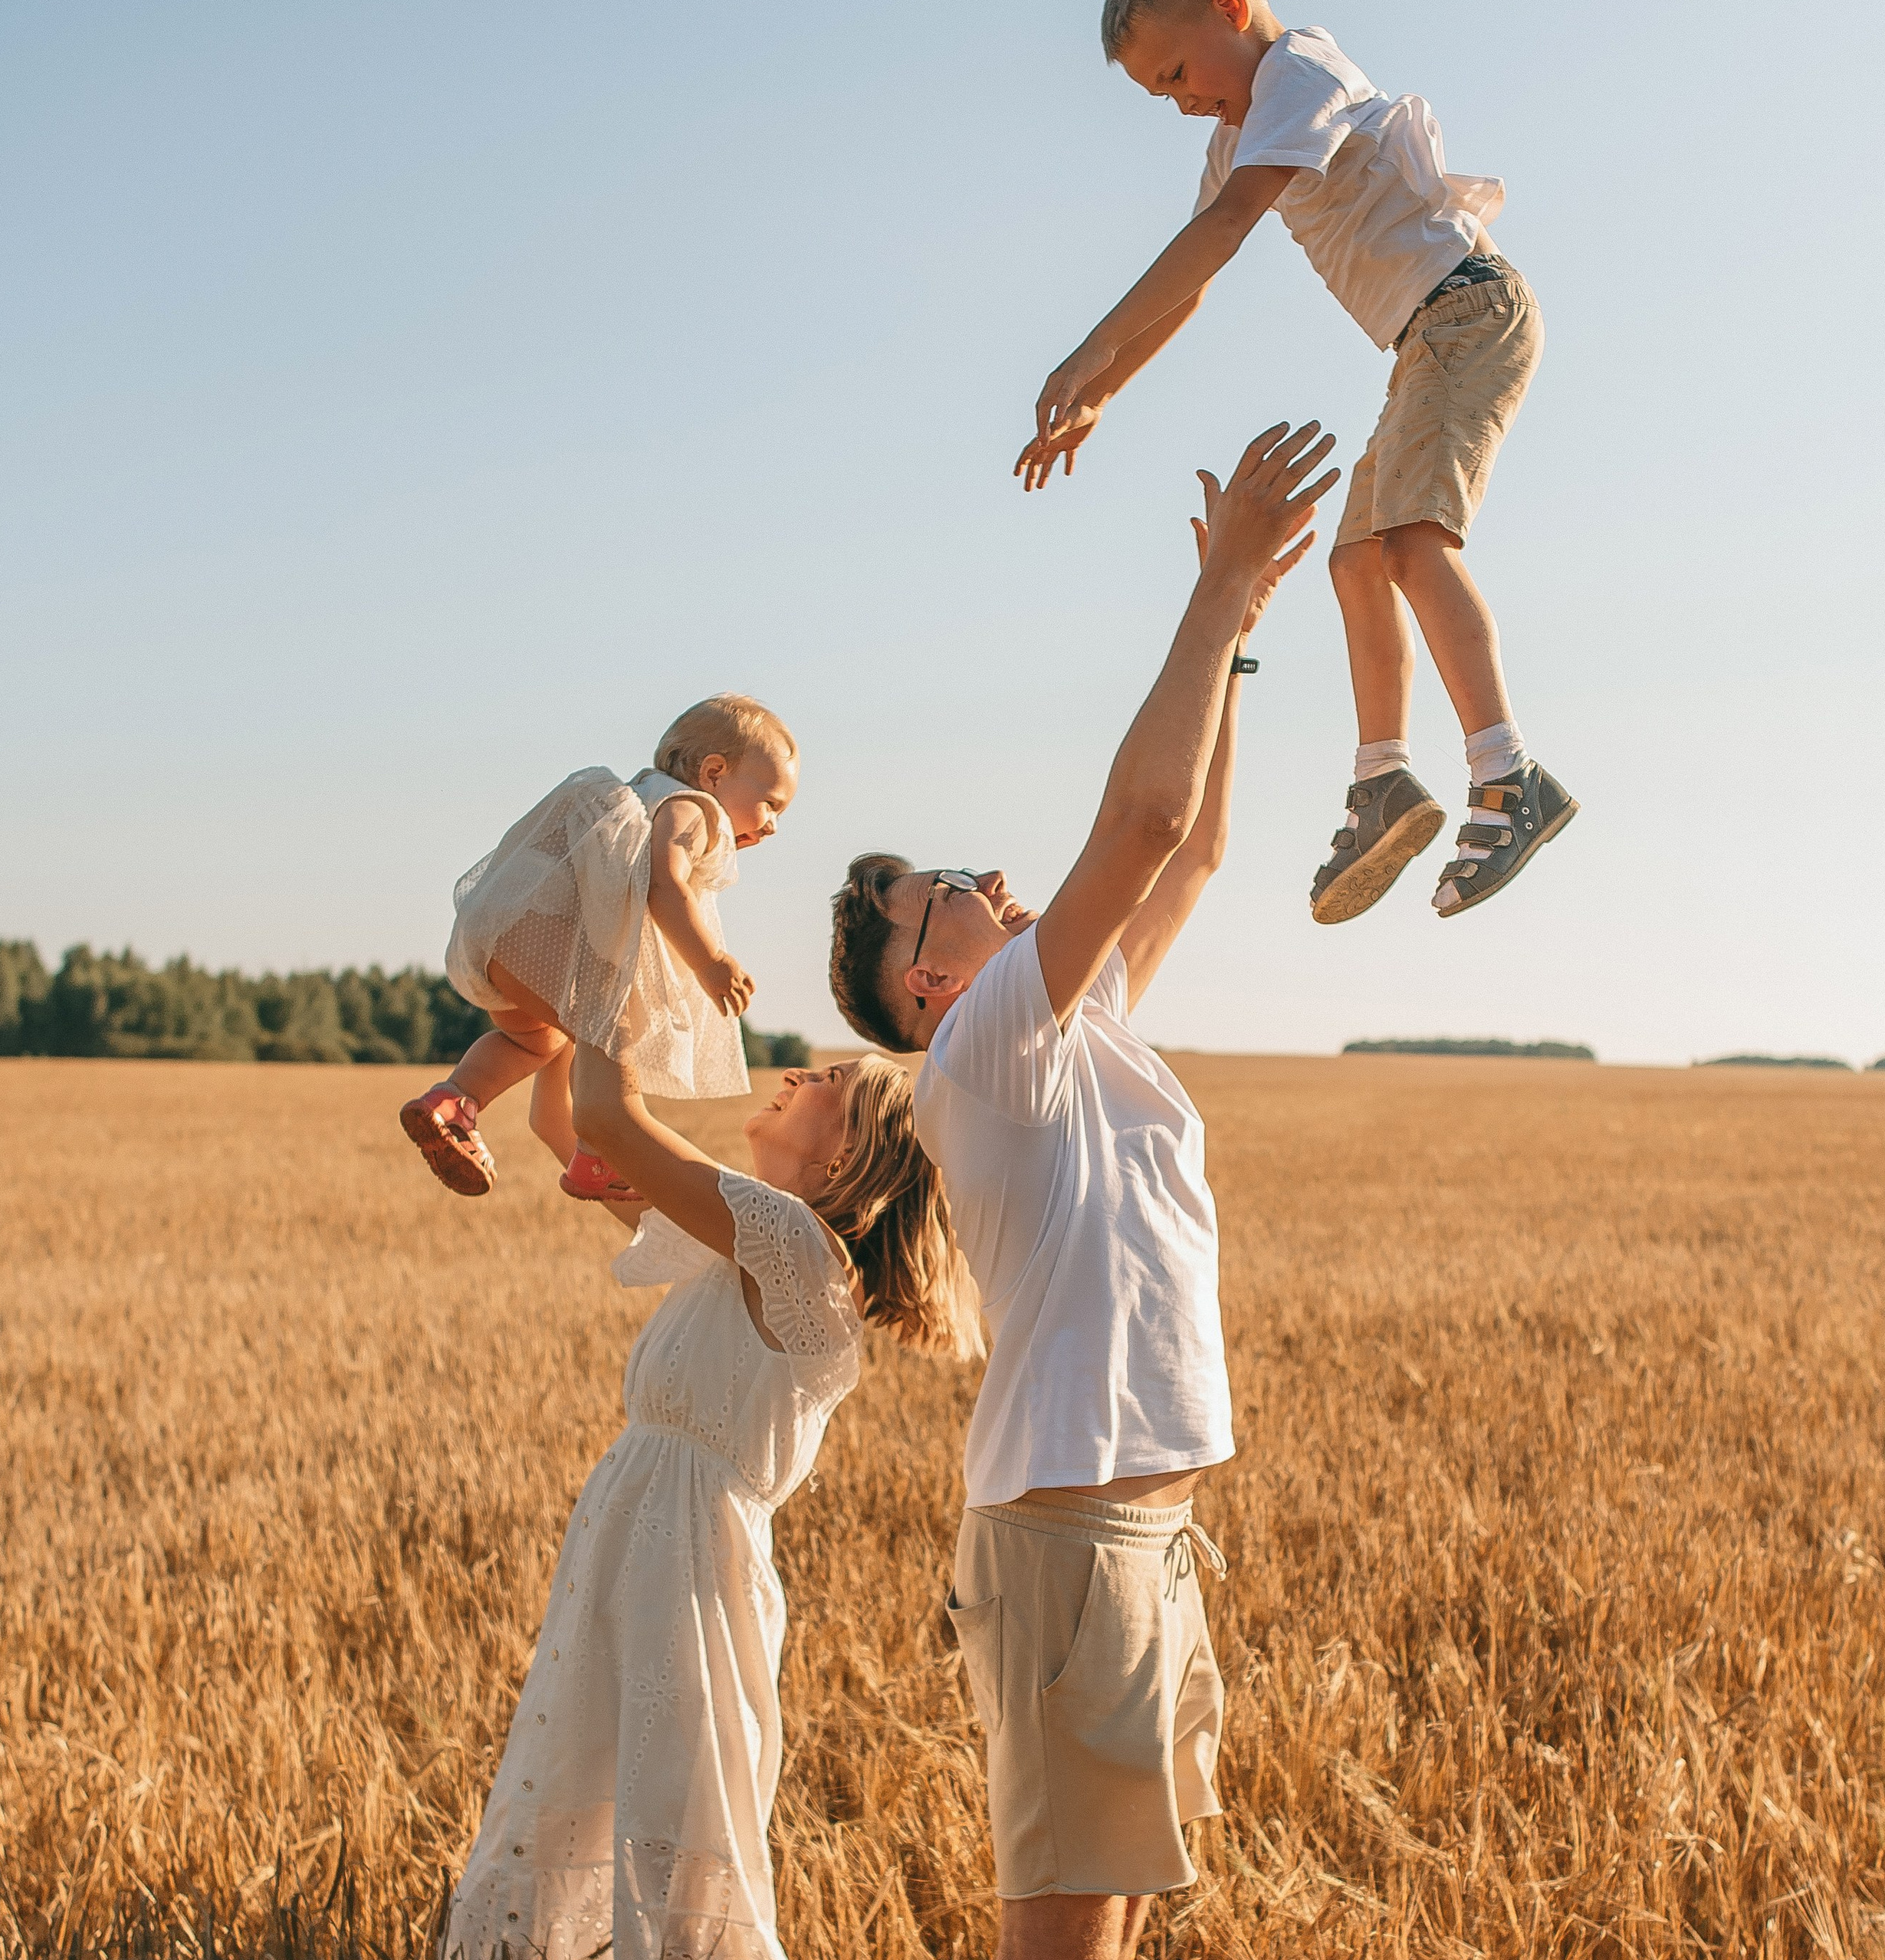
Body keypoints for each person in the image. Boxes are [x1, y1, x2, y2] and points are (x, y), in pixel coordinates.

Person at [827, 425, 1335, 1960]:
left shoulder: (1073, 1021)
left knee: (1105, 1928)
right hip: (1069, 1536)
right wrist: (1219, 591)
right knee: (1059, 1941)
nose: (989, 879)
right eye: (954, 893)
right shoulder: (980, 1049)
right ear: (927, 981)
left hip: (1140, 1528)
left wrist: (1233, 639)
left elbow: (1194, 854)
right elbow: (1141, 826)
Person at [1017, 0, 1578, 924]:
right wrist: (1106, 391)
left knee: (1411, 544)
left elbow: (1231, 225)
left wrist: (1088, 347)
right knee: (1358, 560)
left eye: (1175, 75)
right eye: (1160, 92)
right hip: (1425, 344)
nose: (1180, 103)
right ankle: (1383, 782)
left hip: (1468, 315)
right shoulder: (1245, 122)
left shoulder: (1297, 74)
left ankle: (1509, 775)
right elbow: (1194, 285)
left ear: (1232, 11)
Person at [445, 1042, 977, 1960]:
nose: (799, 1074)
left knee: (675, 1822)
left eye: (829, 1083)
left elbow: (611, 1122)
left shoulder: (798, 1249)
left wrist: (608, 957)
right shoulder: (733, 1239)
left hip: (691, 1571)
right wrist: (557, 1025)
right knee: (591, 1782)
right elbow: (563, 1126)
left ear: (848, 1157)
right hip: (633, 1544)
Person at [399, 694, 797, 1202]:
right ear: (715, 773)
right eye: (772, 803)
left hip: (501, 935)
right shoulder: (695, 810)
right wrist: (710, 961)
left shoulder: (641, 793)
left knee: (536, 1041)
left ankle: (454, 1101)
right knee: (617, 1034)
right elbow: (666, 884)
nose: (773, 825)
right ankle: (598, 1155)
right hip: (547, 949)